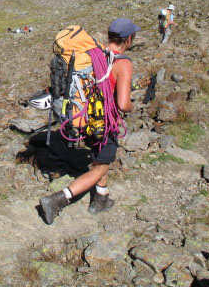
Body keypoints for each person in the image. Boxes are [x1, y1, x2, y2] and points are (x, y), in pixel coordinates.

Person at [39, 18, 140, 224]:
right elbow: (122, 104)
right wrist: (132, 106)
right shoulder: (123, 62)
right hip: (104, 121)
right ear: (128, 39)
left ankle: (101, 198)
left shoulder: (94, 53)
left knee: (99, 159)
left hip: (85, 117)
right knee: (101, 166)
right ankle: (58, 199)